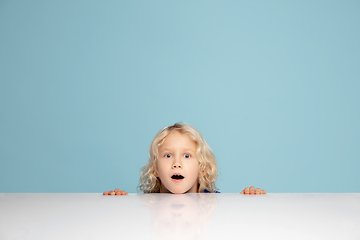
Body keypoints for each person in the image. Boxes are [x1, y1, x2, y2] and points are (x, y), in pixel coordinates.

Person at [103, 123, 266, 195]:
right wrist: (119, 202)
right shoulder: (146, 205)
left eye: (187, 156)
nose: (177, 164)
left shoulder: (214, 203)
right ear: (155, 170)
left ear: (202, 169)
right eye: (168, 155)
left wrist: (249, 199)